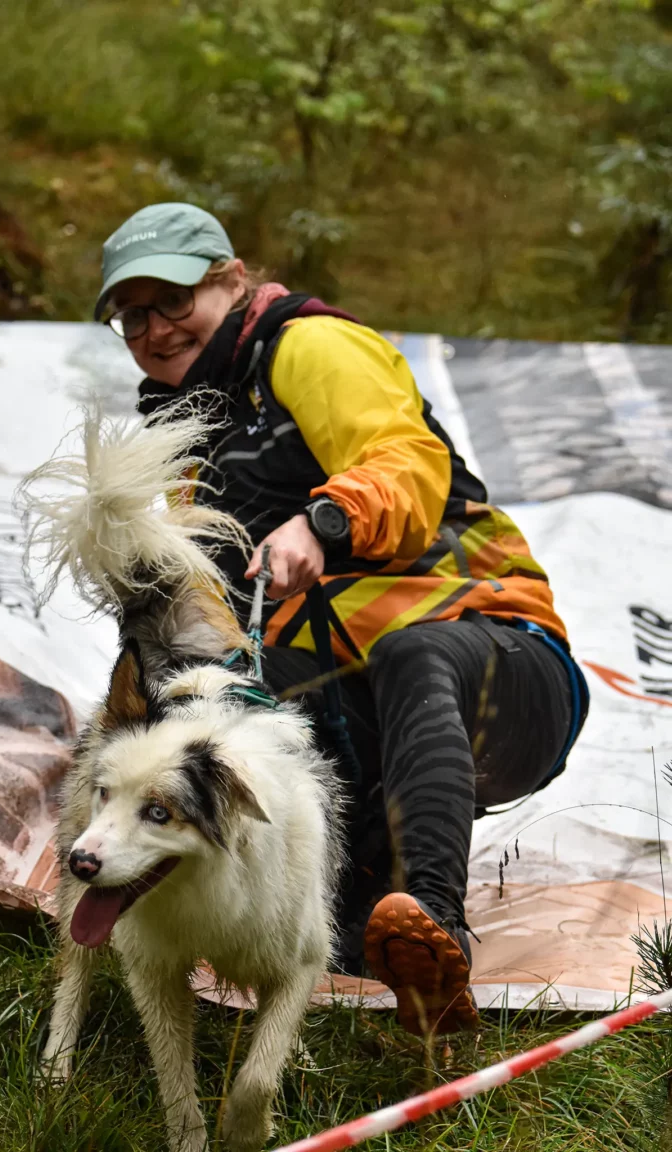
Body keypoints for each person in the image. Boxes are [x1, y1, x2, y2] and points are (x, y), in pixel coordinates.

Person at [93, 202, 589, 1035]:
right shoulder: (184, 439)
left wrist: (326, 521)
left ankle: (441, 922)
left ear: (231, 281)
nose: (155, 328)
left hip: (505, 670)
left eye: (174, 300)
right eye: (132, 314)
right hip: (363, 719)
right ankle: (385, 945)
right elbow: (208, 619)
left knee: (412, 651)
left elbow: (407, 462)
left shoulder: (310, 345)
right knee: (228, 712)